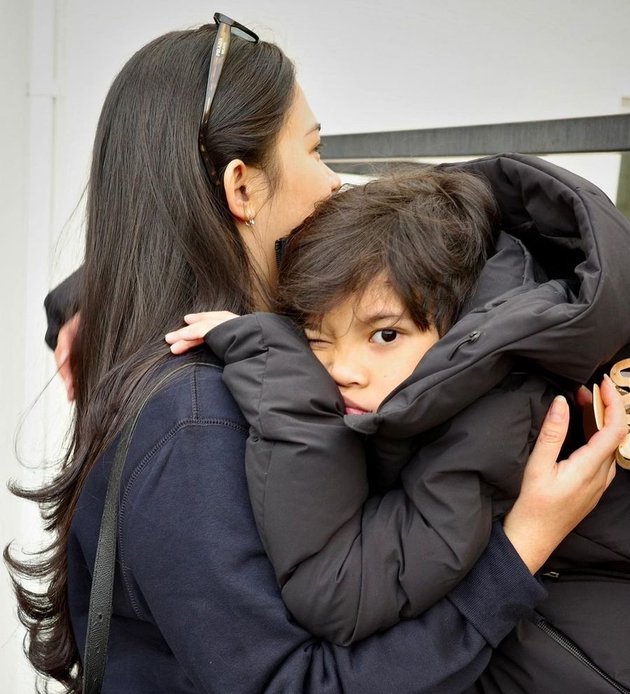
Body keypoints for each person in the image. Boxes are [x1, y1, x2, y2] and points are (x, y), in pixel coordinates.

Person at [5, 16, 626, 694]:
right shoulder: (195, 421)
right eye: (315, 149)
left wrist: (87, 292)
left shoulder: (249, 360)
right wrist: (522, 548)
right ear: (242, 188)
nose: (334, 183)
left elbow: (410, 237)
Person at [166, 160, 630, 688]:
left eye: (385, 336)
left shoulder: (490, 416)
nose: (342, 370)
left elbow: (339, 588)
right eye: (315, 340)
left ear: (460, 328)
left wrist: (273, 358)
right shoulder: (441, 375)